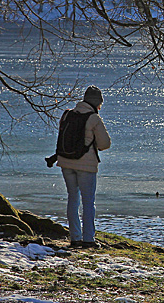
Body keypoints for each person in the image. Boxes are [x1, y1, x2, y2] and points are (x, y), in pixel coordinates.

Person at [57, 85, 111, 248]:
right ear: (97, 103)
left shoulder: (67, 114)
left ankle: (75, 238)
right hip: (86, 166)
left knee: (72, 198)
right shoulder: (93, 118)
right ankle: (88, 239)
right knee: (88, 202)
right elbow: (105, 144)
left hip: (66, 162)